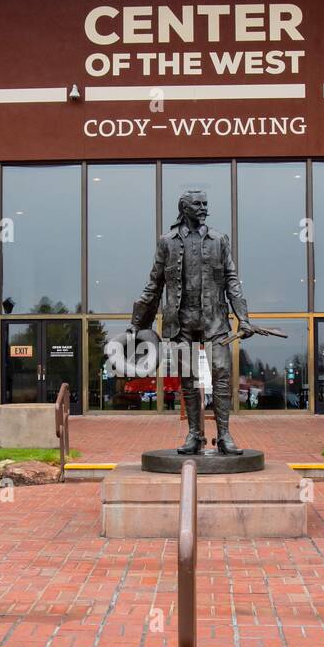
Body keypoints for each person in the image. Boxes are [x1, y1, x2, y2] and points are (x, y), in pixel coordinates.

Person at [128, 188, 256, 455]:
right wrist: (137, 321)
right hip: (180, 321)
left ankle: (224, 436)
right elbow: (154, 284)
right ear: (183, 208)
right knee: (188, 378)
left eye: (205, 203)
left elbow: (232, 280)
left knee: (221, 373)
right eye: (197, 204)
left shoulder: (219, 240)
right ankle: (195, 435)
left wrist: (243, 318)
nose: (203, 208)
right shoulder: (167, 242)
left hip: (215, 320)